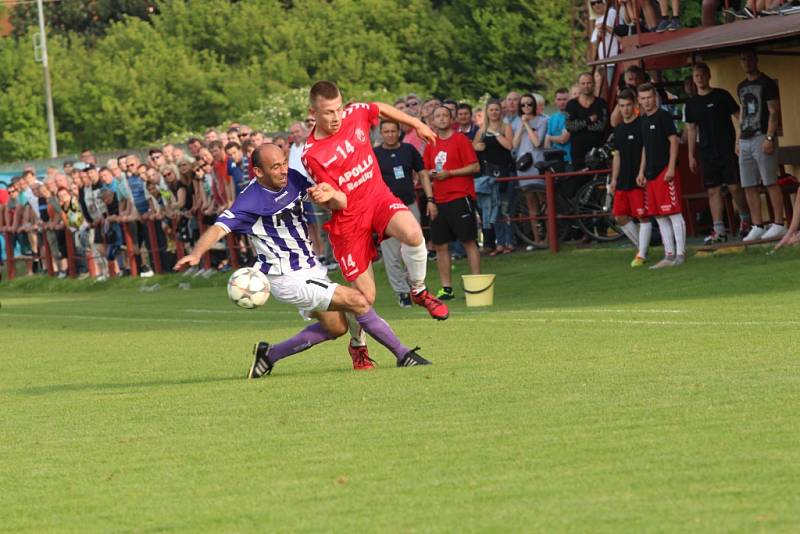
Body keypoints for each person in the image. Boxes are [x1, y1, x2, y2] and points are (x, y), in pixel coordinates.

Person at [175, 144, 431, 376]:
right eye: (275, 167)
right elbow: (219, 228)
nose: (283, 170)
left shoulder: (294, 179)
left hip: (311, 269)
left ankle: (269, 355)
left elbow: (339, 201)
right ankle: (403, 354)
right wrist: (197, 254)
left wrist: (329, 194)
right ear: (258, 172)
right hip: (285, 277)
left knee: (336, 327)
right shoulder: (250, 200)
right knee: (357, 300)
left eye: (284, 162)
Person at [301, 81, 448, 321]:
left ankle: (419, 291)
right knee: (365, 298)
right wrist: (328, 198)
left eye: (338, 108)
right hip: (349, 219)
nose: (337, 117)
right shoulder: (312, 154)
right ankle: (358, 346)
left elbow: (378, 107)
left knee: (413, 233)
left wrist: (416, 123)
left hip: (377, 197)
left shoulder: (354, 113)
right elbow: (340, 202)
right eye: (329, 112)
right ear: (312, 113)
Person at [684, 62, 750, 244]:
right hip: (706, 152)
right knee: (712, 190)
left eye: (703, 75)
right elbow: (691, 129)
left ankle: (745, 219)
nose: (700, 79)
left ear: (709, 76)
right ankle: (719, 230)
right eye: (696, 76)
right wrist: (691, 155)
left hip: (727, 149)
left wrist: (740, 139)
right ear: (694, 79)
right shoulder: (691, 104)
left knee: (734, 186)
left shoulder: (722, 95)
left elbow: (740, 116)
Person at [422, 106, 482, 298]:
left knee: (468, 241)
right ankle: (446, 288)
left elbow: (475, 166)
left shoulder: (460, 139)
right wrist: (430, 200)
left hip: (460, 196)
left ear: (451, 119)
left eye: (445, 115)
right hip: (439, 200)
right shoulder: (430, 143)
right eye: (437, 116)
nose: (441, 119)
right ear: (432, 121)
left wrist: (450, 173)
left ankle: (477, 285)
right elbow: (425, 172)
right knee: (440, 244)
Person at [373, 120, 429, 307]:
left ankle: (417, 287)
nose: (389, 134)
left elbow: (422, 173)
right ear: (381, 133)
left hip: (409, 204)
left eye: (392, 131)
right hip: (385, 209)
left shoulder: (408, 150)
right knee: (391, 253)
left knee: (414, 247)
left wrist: (430, 199)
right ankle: (402, 292)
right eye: (386, 131)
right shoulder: (375, 154)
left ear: (399, 132)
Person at [736, 50, 785, 242]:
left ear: (756, 60)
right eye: (743, 59)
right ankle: (757, 225)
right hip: (745, 138)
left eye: (749, 58)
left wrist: (770, 137)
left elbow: (774, 112)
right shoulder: (741, 86)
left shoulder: (767, 83)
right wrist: (738, 139)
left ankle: (779, 223)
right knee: (748, 184)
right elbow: (742, 114)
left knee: (770, 181)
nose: (746, 62)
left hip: (762, 136)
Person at [636, 83, 686, 269]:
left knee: (673, 212)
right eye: (643, 98)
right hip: (650, 174)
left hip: (665, 170)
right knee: (659, 216)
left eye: (649, 97)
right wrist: (641, 171)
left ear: (655, 97)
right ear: (639, 100)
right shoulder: (642, 120)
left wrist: (671, 167)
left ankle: (680, 254)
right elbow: (644, 148)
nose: (647, 101)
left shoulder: (663, 116)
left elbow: (673, 141)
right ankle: (668, 254)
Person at [610, 89, 650, 267]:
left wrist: (642, 172)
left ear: (634, 105)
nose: (625, 109)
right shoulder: (618, 130)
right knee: (619, 217)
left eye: (627, 105)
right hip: (622, 180)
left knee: (642, 216)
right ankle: (641, 248)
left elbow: (645, 150)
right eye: (621, 106)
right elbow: (616, 155)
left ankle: (641, 254)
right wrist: (613, 178)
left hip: (637, 179)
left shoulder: (642, 124)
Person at [474, 99, 515, 255]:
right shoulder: (482, 130)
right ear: (487, 112)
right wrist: (479, 146)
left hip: (505, 171)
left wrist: (497, 134)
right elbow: (473, 146)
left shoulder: (506, 127)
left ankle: (509, 241)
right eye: (491, 110)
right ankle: (499, 243)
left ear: (501, 111)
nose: (494, 112)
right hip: (489, 174)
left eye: (496, 109)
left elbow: (510, 145)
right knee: (493, 210)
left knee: (506, 208)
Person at [513, 94, 549, 249]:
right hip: (523, 167)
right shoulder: (517, 123)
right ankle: (536, 240)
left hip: (537, 164)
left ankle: (549, 237)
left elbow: (536, 142)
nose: (526, 108)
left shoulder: (542, 121)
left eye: (529, 104)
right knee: (531, 205)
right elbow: (514, 145)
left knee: (544, 203)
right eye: (523, 105)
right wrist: (522, 125)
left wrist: (528, 125)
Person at [566, 72, 609, 171]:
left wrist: (579, 127)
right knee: (580, 183)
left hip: (598, 152)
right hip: (578, 154)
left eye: (589, 83)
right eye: (583, 83)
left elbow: (602, 126)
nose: (586, 86)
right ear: (579, 85)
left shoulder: (601, 103)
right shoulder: (571, 104)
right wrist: (589, 120)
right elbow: (569, 126)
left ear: (594, 84)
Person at [544, 88, 572, 165]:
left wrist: (550, 138)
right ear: (555, 101)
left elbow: (563, 139)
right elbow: (547, 143)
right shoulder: (552, 117)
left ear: (569, 100)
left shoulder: (571, 115)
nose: (562, 102)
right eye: (559, 99)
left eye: (564, 99)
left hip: (568, 159)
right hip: (554, 160)